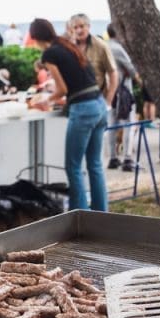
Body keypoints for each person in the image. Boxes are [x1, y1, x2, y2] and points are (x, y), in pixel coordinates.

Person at [27, 18, 108, 211]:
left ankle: (80, 216)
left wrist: (46, 100)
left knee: (73, 167)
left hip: (83, 110)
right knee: (95, 165)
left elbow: (62, 88)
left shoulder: (49, 53)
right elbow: (77, 80)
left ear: (36, 38)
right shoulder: (67, 45)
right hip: (99, 104)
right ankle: (101, 213)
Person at [105, 22, 142, 171]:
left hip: (109, 91)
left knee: (112, 124)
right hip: (123, 91)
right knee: (128, 124)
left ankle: (113, 158)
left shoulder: (105, 47)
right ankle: (127, 158)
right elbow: (132, 70)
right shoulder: (118, 48)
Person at [67, 13, 118, 108]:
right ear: (71, 30)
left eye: (82, 26)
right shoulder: (69, 48)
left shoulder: (101, 46)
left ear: (89, 26)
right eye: (75, 27)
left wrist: (108, 102)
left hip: (98, 100)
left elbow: (113, 73)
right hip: (75, 102)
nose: (79, 30)